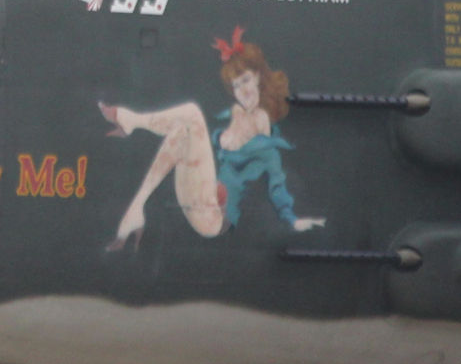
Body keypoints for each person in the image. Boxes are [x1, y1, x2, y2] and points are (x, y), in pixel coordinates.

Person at [97, 30, 321, 249]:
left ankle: (132, 121)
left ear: (259, 79)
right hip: (196, 193)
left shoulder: (267, 145)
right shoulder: (233, 116)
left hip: (214, 218)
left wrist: (293, 220)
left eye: (245, 80)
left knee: (192, 115)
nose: (242, 90)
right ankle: (136, 208)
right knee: (180, 133)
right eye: (236, 85)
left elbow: (277, 185)